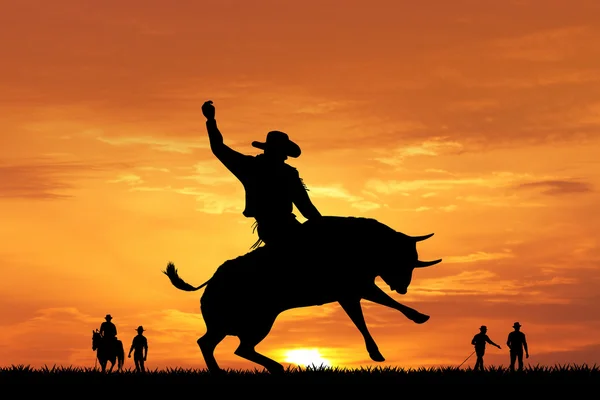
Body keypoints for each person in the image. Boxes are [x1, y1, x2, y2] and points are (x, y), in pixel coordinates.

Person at [201, 100, 322, 250]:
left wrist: (211, 120)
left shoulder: (250, 167)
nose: (285, 158)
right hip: (284, 227)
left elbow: (219, 148)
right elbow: (307, 209)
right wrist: (325, 226)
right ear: (280, 153)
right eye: (284, 154)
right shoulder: (287, 173)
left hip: (267, 229)